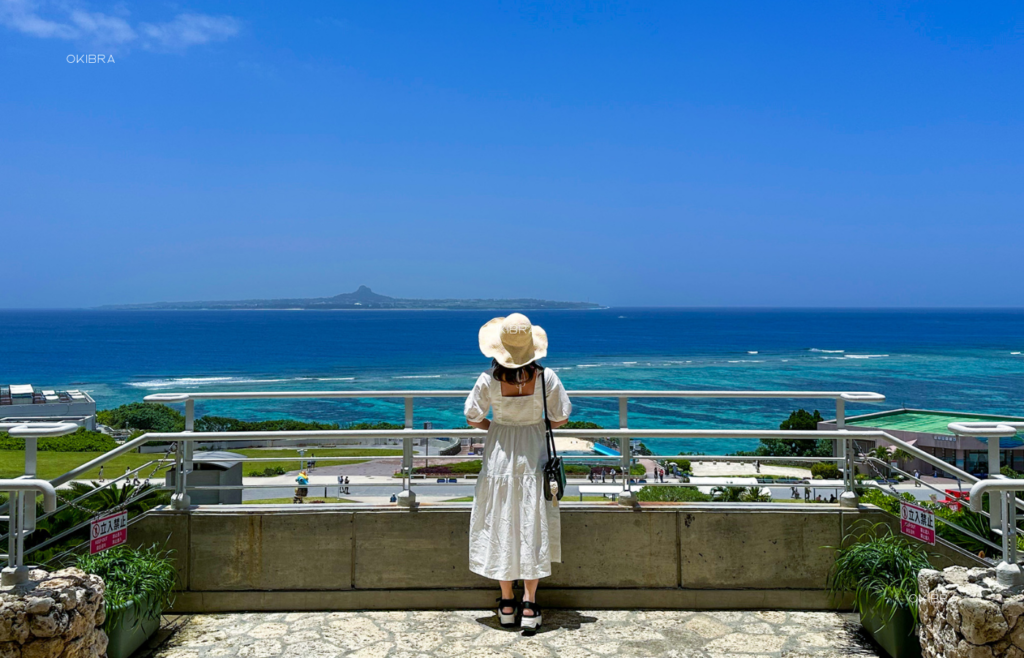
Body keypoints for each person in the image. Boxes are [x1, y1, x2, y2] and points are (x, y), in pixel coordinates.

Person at [464, 314, 571, 633]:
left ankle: (507, 602)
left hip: (500, 455)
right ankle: (530, 604)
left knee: (501, 522)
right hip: (533, 452)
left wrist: (497, 426)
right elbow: (561, 416)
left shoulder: (488, 379)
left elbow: (472, 416)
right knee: (531, 522)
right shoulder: (546, 378)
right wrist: (533, 424)